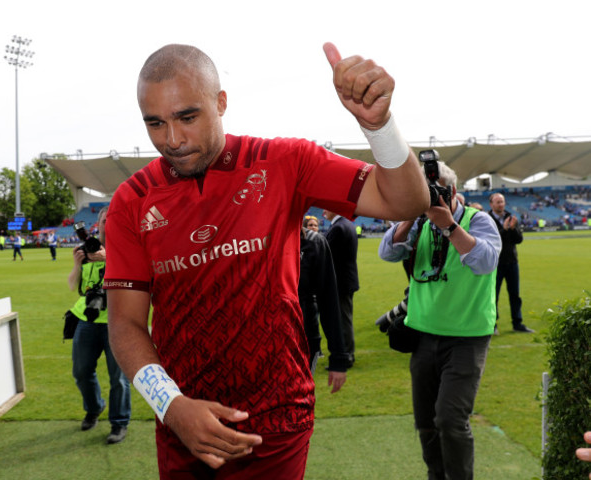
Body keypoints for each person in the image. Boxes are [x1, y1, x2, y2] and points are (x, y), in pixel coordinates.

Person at [103, 42, 429, 479]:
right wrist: (172, 406)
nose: (173, 140)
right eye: (155, 124)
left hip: (277, 419)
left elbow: (406, 201)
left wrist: (380, 127)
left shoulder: (282, 162)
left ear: (221, 102)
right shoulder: (133, 200)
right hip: (184, 423)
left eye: (187, 117)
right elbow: (124, 324)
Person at [379, 161, 501, 480]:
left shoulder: (479, 220)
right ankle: (436, 475)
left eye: (433, 193)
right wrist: (410, 214)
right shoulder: (418, 224)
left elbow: (486, 261)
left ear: (453, 192)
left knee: (449, 417)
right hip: (423, 334)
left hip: (467, 336)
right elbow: (387, 252)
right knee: (425, 421)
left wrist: (449, 226)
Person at [67, 207, 131, 444]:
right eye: (104, 220)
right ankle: (94, 407)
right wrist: (76, 265)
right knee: (81, 371)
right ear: (99, 223)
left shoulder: (128, 245)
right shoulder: (88, 249)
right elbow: (73, 286)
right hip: (87, 319)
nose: (107, 224)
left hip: (118, 319)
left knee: (119, 378)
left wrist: (109, 259)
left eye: (112, 219)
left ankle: (119, 422)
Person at [299, 223, 349, 391]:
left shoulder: (314, 243)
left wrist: (338, 358)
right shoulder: (254, 242)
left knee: (298, 405)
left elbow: (328, 302)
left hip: (303, 343)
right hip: (259, 343)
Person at [488, 192, 534, 333]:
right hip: (495, 264)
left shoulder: (511, 217)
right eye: (498, 202)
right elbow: (490, 240)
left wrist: (513, 229)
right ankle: (492, 325)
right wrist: (505, 229)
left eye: (502, 201)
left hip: (512, 262)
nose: (501, 204)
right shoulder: (487, 219)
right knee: (493, 295)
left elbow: (518, 240)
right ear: (491, 204)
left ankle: (517, 323)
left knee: (515, 295)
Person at [323, 209, 359, 368]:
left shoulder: (338, 227)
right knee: (345, 318)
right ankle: (347, 354)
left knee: (342, 320)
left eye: (326, 207)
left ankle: (346, 356)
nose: (323, 211)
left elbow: (327, 255)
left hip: (340, 282)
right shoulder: (347, 224)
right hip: (346, 280)